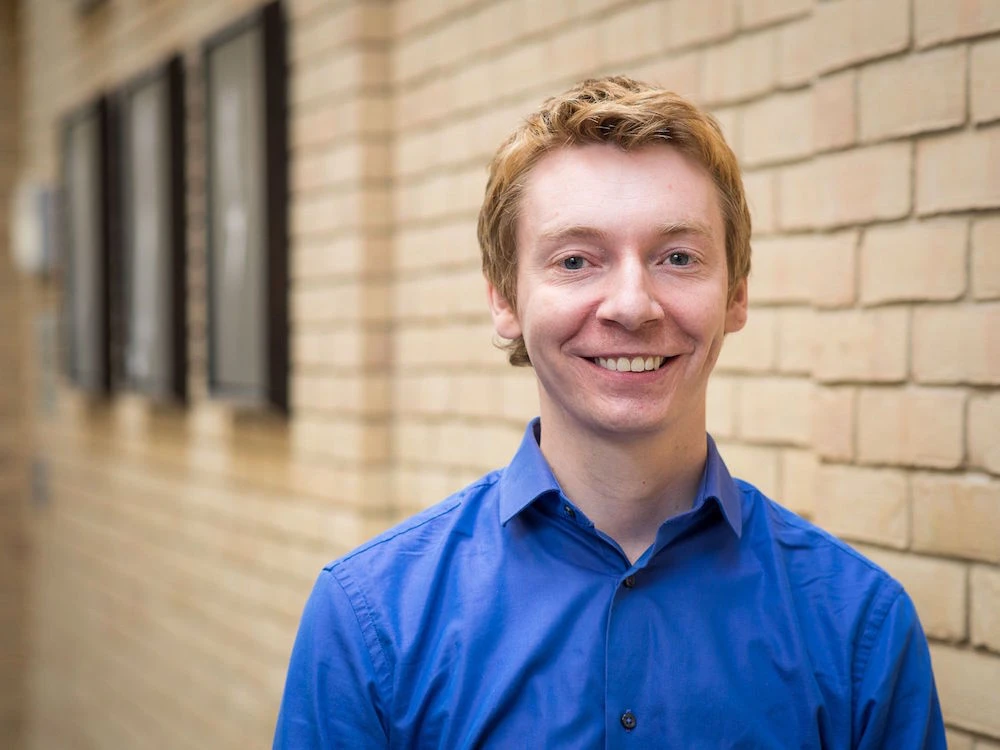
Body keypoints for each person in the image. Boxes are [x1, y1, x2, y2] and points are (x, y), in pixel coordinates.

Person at [273, 76, 945, 749]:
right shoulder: (371, 622)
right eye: (576, 261)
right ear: (504, 298)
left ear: (736, 295)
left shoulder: (859, 630)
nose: (632, 305)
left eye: (677, 257)